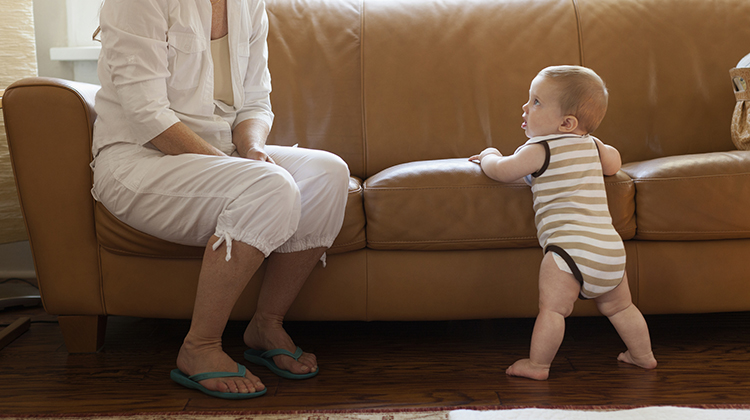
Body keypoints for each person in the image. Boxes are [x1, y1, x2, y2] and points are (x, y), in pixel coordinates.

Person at [91, 0, 350, 398]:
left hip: (220, 157)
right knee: (269, 185)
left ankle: (266, 323)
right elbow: (148, 115)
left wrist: (252, 152)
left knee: (327, 172)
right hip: (138, 160)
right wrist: (248, 172)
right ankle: (200, 347)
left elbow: (255, 101)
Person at [469, 65, 657, 380]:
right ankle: (643, 356)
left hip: (567, 250)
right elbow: (614, 164)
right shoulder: (595, 146)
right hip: (608, 248)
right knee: (622, 308)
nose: (526, 107)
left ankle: (538, 365)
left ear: (566, 123)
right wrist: (602, 151)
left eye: (537, 102)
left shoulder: (539, 149)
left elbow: (501, 170)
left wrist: (488, 154)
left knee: (553, 311)